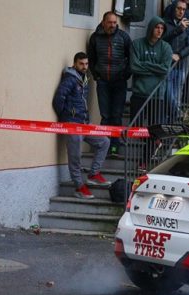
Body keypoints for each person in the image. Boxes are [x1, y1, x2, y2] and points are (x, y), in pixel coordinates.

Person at [52, 52, 111, 199]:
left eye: (86, 64)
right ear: (75, 64)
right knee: (75, 156)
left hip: (84, 123)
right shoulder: (70, 79)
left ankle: (94, 174)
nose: (84, 67)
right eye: (81, 64)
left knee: (104, 142)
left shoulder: (83, 78)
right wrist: (66, 118)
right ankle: (79, 187)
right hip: (72, 124)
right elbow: (58, 99)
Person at [130, 16, 173, 167]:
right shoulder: (137, 44)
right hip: (139, 93)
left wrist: (145, 65)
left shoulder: (166, 48)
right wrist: (154, 68)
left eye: (162, 28)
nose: (159, 31)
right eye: (157, 27)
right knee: (136, 129)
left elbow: (165, 70)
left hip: (157, 96)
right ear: (151, 28)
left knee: (154, 131)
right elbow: (134, 67)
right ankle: (153, 144)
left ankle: (144, 161)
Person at [87, 11, 132, 156]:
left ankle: (115, 146)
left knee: (117, 115)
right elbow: (91, 59)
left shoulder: (124, 37)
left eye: (114, 22)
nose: (113, 25)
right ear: (103, 22)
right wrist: (96, 76)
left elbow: (131, 58)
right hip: (103, 82)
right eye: (110, 22)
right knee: (105, 115)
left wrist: (125, 75)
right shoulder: (95, 38)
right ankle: (103, 146)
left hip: (119, 82)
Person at [163, 0, 189, 121]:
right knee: (168, 96)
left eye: (184, 9)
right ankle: (178, 114)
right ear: (173, 8)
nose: (181, 11)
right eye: (178, 8)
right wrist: (178, 29)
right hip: (167, 65)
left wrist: (180, 55)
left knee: (176, 96)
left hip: (180, 66)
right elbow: (162, 40)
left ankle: (173, 126)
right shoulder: (165, 23)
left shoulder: (185, 25)